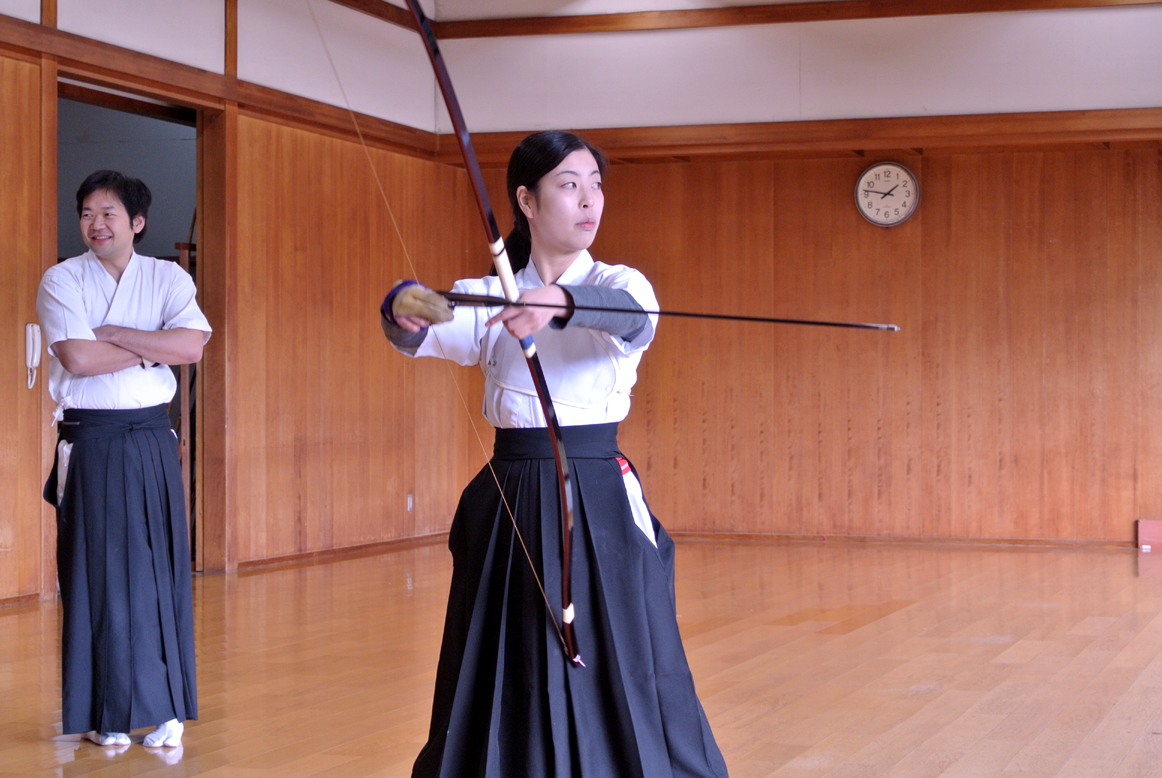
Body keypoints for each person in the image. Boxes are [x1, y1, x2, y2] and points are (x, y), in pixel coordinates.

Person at [380, 131, 729, 777]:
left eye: (595, 184)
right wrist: (402, 310)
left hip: (595, 492)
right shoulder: (488, 291)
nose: (589, 199)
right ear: (527, 201)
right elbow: (422, 329)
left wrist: (558, 302)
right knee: (504, 649)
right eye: (569, 185)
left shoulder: (617, 281)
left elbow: (630, 316)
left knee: (622, 645)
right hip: (511, 491)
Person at [36, 170, 209, 749]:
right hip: (92, 440)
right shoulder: (62, 278)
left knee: (159, 573)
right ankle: (106, 715)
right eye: (87, 213)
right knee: (97, 577)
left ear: (137, 222)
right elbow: (78, 359)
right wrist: (149, 345)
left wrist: (115, 334)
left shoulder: (168, 276)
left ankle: (167, 712)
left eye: (108, 213)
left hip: (152, 438)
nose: (96, 224)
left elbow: (190, 346)